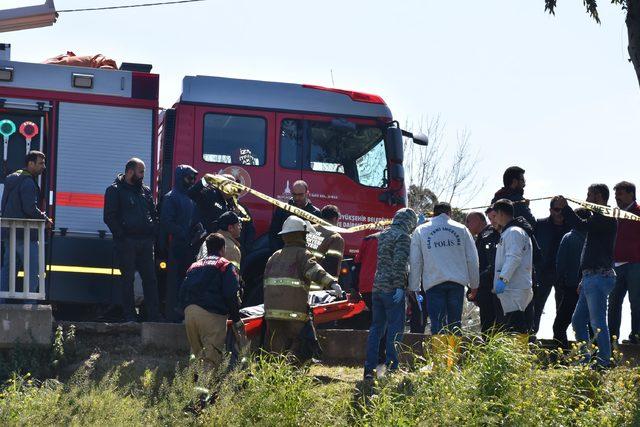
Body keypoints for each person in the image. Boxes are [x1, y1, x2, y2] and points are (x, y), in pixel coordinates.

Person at [263, 216, 340, 362]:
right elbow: (315, 271)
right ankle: (291, 374)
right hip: (294, 314)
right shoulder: (303, 254)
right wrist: (332, 284)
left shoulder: (274, 257)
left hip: (271, 313)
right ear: (301, 234)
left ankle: (272, 376)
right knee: (302, 344)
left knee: (275, 347)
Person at [556, 185, 617, 367]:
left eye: (589, 195)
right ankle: (585, 359)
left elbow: (579, 225)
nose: (586, 198)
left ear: (598, 196)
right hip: (591, 277)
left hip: (598, 276)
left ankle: (603, 361)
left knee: (598, 322)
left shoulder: (605, 216)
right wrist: (583, 278)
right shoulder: (598, 217)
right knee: (578, 320)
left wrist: (566, 208)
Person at [103, 158, 161, 322]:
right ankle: (129, 316)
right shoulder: (114, 190)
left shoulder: (145, 191)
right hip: (127, 242)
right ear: (130, 172)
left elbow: (153, 213)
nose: (143, 175)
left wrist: (152, 232)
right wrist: (121, 235)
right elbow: (109, 217)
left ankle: (154, 316)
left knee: (150, 279)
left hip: (145, 242)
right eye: (140, 172)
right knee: (127, 280)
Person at [409, 202, 479, 335]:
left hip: (433, 283)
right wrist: (474, 285)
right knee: (455, 324)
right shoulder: (462, 229)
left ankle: (438, 355)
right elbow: (472, 259)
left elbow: (416, 261)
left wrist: (414, 286)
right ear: (450, 213)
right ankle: (452, 356)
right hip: (457, 284)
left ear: (433, 213)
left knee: (437, 324)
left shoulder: (421, 230)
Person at [364, 208, 417, 379]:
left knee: (376, 329)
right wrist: (400, 286)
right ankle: (391, 368)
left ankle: (369, 370)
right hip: (392, 289)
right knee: (395, 329)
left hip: (377, 287)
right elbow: (399, 263)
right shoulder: (402, 237)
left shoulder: (384, 234)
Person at [179, 233, 243, 368]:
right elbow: (230, 294)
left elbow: (182, 291)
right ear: (223, 249)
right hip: (212, 316)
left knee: (197, 357)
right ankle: (205, 387)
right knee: (211, 360)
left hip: (190, 314)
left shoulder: (194, 266)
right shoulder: (225, 265)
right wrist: (236, 319)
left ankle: (191, 386)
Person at [1, 151, 52, 300]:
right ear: (31, 164)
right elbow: (29, 208)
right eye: (41, 163)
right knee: (33, 272)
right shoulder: (28, 182)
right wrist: (45, 219)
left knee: (7, 271)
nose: (44, 167)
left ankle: (2, 304)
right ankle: (29, 305)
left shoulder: (11, 180)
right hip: (26, 236)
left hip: (9, 233)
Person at [160, 164, 198, 322]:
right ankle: (172, 318)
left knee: (188, 283)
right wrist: (183, 233)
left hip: (191, 247)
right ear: (181, 177)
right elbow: (166, 222)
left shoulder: (191, 198)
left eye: (194, 178)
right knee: (175, 284)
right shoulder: (171, 197)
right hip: (177, 247)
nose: (192, 181)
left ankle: (184, 314)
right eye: (189, 178)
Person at [492, 199, 534, 334]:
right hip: (513, 287)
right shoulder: (510, 231)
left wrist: (503, 279)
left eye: (495, 215)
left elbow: (513, 258)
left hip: (514, 287)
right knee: (513, 328)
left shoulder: (513, 232)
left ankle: (519, 354)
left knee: (516, 328)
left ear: (501, 213)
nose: (494, 219)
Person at [533, 197, 571, 334]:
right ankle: (532, 335)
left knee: (562, 309)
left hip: (563, 274)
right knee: (537, 306)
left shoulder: (572, 226)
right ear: (550, 210)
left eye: (563, 209)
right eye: (556, 209)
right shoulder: (540, 224)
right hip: (543, 271)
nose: (560, 212)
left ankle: (560, 338)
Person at [608, 181, 640, 344]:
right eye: (616, 195)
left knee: (636, 302)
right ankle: (612, 338)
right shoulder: (614, 214)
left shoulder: (639, 213)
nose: (617, 198)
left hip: (636, 264)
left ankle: (636, 336)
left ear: (631, 194)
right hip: (616, 266)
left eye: (620, 194)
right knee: (613, 303)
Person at [554, 208, 590, 349]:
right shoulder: (594, 238)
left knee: (559, 326)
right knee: (592, 325)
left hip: (571, 287)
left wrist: (560, 281)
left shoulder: (568, 237)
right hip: (591, 286)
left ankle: (561, 357)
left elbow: (560, 263)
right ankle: (596, 357)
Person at [468, 207, 502, 333]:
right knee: (487, 327)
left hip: (491, 287)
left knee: (492, 325)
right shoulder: (482, 238)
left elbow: (492, 264)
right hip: (485, 287)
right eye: (490, 218)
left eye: (469, 221)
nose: (467, 225)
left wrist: (477, 283)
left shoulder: (491, 236)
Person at [268, 180, 321, 252]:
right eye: (294, 194)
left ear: (307, 193)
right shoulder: (282, 209)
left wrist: (308, 256)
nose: (297, 198)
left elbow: (317, 239)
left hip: (305, 257)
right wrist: (279, 252)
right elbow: (273, 234)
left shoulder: (315, 213)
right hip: (284, 253)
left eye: (300, 195)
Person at [314, 205, 345, 278]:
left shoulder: (308, 228)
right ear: (335, 219)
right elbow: (332, 267)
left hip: (299, 278)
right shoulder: (336, 238)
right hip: (317, 283)